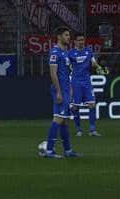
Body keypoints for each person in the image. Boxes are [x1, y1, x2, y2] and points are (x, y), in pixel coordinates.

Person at [41, 26, 81, 159]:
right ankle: (49, 150)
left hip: (65, 89)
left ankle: (68, 150)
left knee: (64, 120)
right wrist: (58, 91)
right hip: (60, 90)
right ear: (59, 37)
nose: (68, 38)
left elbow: (66, 73)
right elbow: (53, 73)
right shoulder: (55, 52)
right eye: (66, 35)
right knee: (58, 118)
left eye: (69, 35)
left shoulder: (66, 53)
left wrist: (69, 90)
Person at [69, 33, 103, 137]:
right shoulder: (71, 53)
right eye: (79, 40)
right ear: (74, 41)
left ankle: (92, 130)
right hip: (76, 82)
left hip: (87, 81)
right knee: (75, 107)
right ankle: (79, 129)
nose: (81, 42)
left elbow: (93, 62)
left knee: (92, 104)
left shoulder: (88, 51)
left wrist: (98, 67)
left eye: (82, 40)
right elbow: (67, 66)